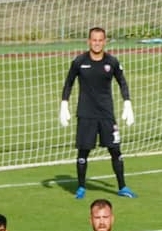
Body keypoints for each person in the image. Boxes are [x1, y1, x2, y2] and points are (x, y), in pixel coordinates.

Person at [58, 26, 135, 200]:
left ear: (105, 42)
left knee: (115, 150)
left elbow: (122, 82)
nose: (97, 43)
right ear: (89, 41)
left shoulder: (112, 62)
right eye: (94, 40)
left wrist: (127, 103)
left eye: (100, 40)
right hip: (86, 114)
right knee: (83, 151)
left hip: (107, 114)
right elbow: (68, 83)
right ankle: (81, 187)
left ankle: (122, 186)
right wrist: (64, 104)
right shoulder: (79, 61)